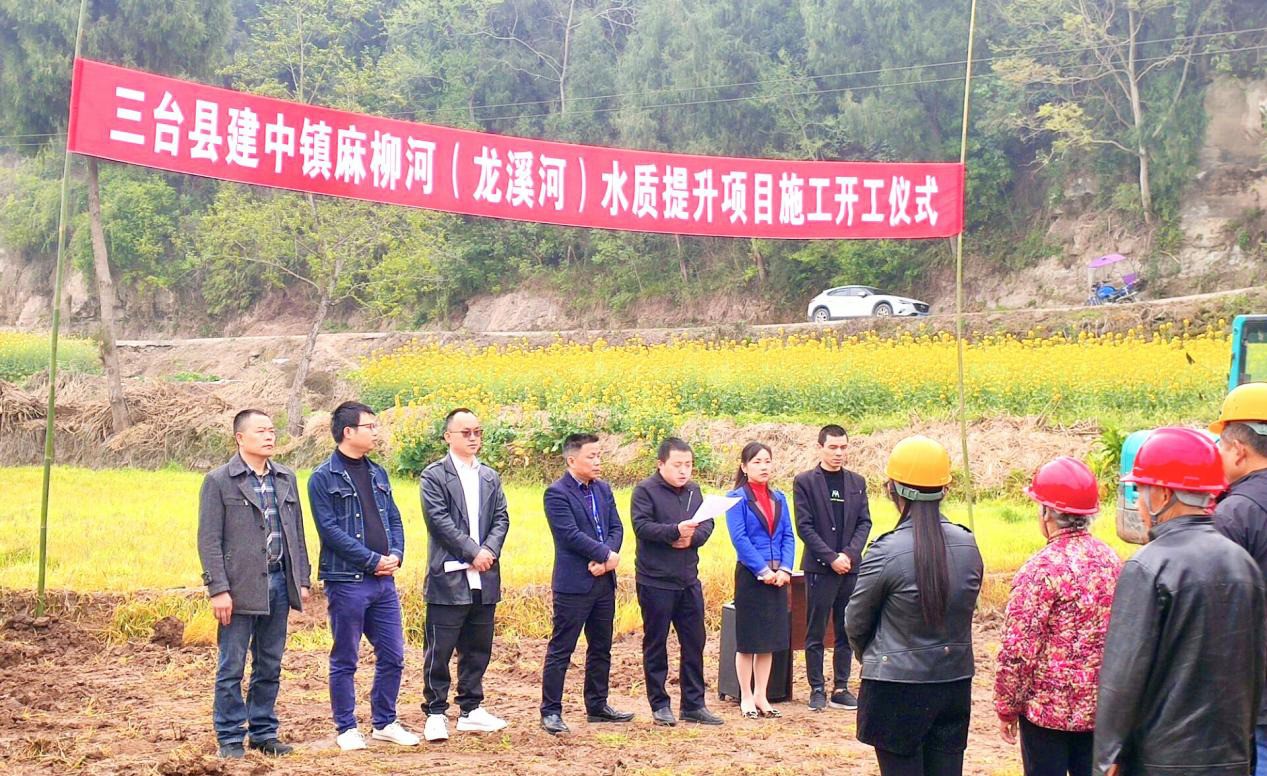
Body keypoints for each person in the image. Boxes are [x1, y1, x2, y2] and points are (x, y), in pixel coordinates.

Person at [1094, 426, 1265, 776]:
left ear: (1161, 494)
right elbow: (1253, 669)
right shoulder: (1242, 563)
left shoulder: (1148, 566)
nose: (1139, 503)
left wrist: (1105, 759)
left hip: (1162, 761)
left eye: (1141, 491)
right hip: (1230, 759)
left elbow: (1122, 679)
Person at [847, 435, 984, 776]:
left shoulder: (886, 550)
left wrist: (875, 656)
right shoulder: (968, 545)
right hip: (954, 682)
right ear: (945, 489)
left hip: (895, 687)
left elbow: (856, 621)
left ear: (893, 489)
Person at [993, 457, 1122, 776]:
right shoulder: (1112, 562)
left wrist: (1007, 707)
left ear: (1047, 513)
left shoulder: (1040, 569)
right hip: (1100, 712)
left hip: (1045, 717)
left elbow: (1018, 650)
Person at [198, 409, 311, 759]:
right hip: (239, 587)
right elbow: (209, 540)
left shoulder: (285, 478)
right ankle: (230, 737)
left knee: (269, 663)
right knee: (231, 666)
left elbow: (297, 532)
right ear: (240, 438)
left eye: (272, 430)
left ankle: (263, 732)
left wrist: (301, 578)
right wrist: (218, 589)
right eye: (261, 431)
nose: (269, 436)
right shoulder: (220, 481)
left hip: (278, 582)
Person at [309, 401, 418, 751]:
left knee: (393, 654)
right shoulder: (323, 478)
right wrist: (372, 560)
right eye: (369, 426)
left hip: (384, 581)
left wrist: (396, 554)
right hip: (347, 581)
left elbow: (394, 519)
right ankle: (346, 727)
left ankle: (384, 722)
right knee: (346, 657)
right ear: (348, 432)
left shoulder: (378, 473)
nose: (375, 432)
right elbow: (329, 531)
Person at [419, 408, 511, 742]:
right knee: (439, 650)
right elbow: (438, 521)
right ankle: (435, 712)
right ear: (448, 437)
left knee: (478, 647)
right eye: (466, 432)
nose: (473, 438)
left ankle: (471, 709)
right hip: (449, 575)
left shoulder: (489, 476)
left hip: (484, 576)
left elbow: (501, 518)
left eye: (478, 432)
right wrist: (473, 552)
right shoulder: (434, 476)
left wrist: (489, 551)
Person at [539, 433, 635, 734]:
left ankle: (597, 705)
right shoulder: (556, 493)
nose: (597, 461)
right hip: (574, 583)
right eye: (591, 456)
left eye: (599, 455)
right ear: (572, 460)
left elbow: (616, 527)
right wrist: (605, 554)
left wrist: (607, 559)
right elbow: (569, 534)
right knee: (562, 648)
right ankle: (550, 711)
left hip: (603, 581)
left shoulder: (603, 489)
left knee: (601, 647)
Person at [632, 437, 723, 726]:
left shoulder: (694, 491)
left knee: (694, 642)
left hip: (688, 579)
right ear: (661, 464)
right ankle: (660, 704)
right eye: (677, 465)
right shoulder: (645, 491)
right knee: (656, 643)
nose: (684, 471)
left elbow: (708, 522)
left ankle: (694, 705)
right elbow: (641, 526)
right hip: (655, 580)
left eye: (688, 465)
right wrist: (674, 531)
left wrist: (691, 539)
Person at [794, 424, 872, 711]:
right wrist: (831, 557)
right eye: (833, 447)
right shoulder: (805, 482)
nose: (838, 453)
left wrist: (849, 555)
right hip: (819, 568)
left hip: (850, 568)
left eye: (843, 447)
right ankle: (817, 688)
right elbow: (805, 526)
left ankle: (841, 686)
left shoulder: (856, 482)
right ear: (820, 448)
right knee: (815, 630)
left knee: (846, 628)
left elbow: (864, 522)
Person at [1211, 383, 1267, 776]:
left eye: (1220, 445)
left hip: (1256, 692)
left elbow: (1217, 611)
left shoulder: (1234, 514)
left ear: (1238, 450)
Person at [724, 442, 795, 719]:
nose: (763, 467)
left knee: (769, 640)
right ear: (744, 467)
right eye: (756, 462)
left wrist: (785, 569)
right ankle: (745, 695)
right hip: (752, 577)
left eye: (767, 461)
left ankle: (761, 695)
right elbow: (740, 539)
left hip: (778, 577)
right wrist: (762, 570)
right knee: (749, 639)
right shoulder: (736, 498)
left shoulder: (780, 498)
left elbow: (788, 535)